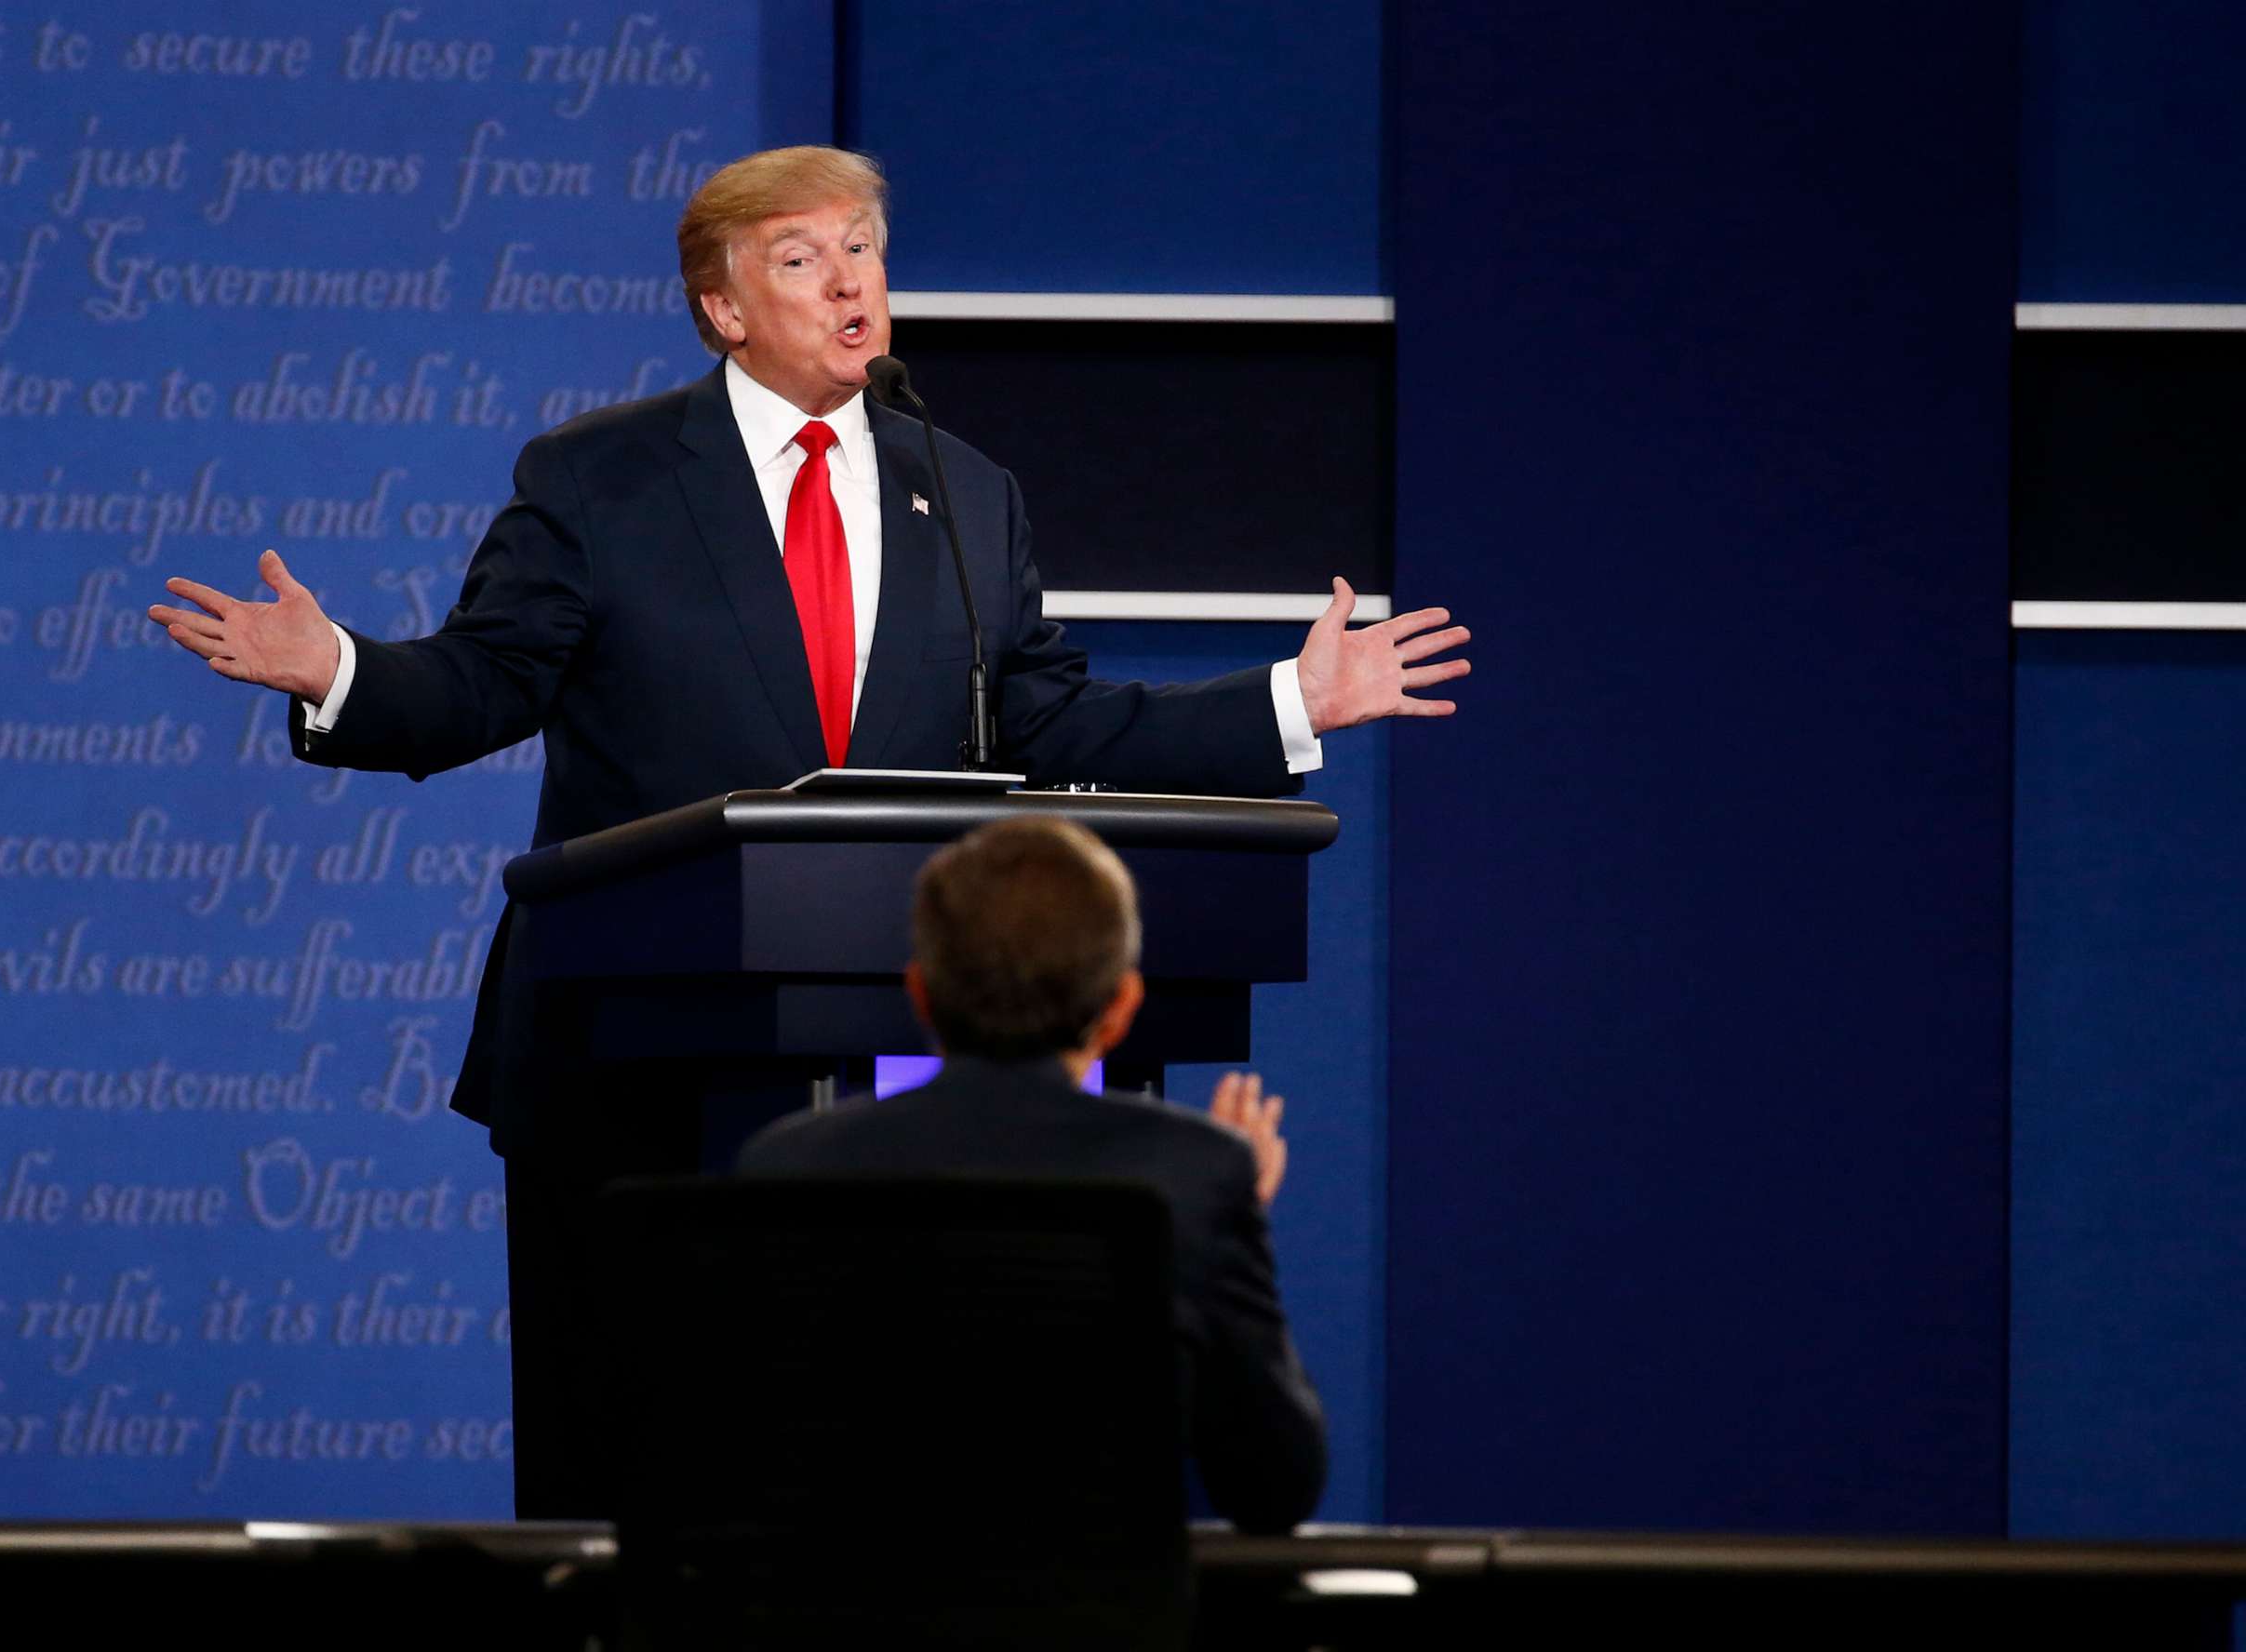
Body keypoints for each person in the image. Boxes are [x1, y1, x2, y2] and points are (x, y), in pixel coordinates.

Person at [145, 145, 1463, 1514]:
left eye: (864, 248)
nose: (851, 280)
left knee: (864, 1480)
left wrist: (1286, 704)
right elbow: (484, 682)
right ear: (722, 306)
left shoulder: (963, 490)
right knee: (627, 1485)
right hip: (626, 1061)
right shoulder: (602, 478)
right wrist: (340, 669)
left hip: (884, 1069)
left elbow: (1051, 725)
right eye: (802, 257)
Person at [739, 815, 1325, 1533]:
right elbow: (1275, 1489)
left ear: (919, 994)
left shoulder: (788, 1166)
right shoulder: (1191, 1178)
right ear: (1121, 1010)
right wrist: (1229, 1222)